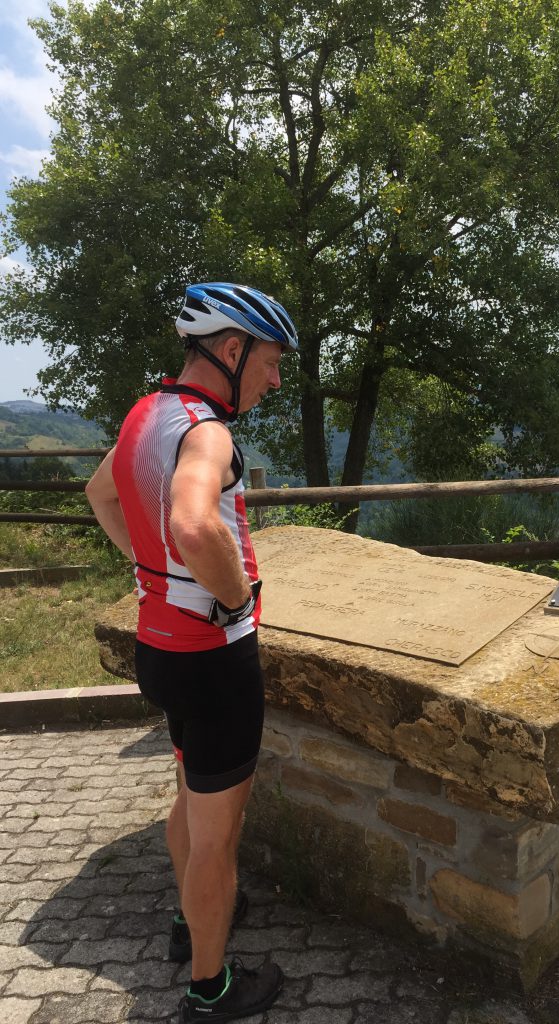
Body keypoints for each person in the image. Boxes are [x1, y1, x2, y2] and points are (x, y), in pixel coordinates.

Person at [85, 282, 298, 1023]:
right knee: (219, 835)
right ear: (231, 349)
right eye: (270, 361)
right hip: (213, 660)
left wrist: (151, 574)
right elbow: (197, 526)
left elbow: (100, 494)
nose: (275, 379)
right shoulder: (207, 433)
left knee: (188, 790)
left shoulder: (146, 413)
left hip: (161, 648)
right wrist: (235, 599)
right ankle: (211, 989)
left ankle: (189, 919)